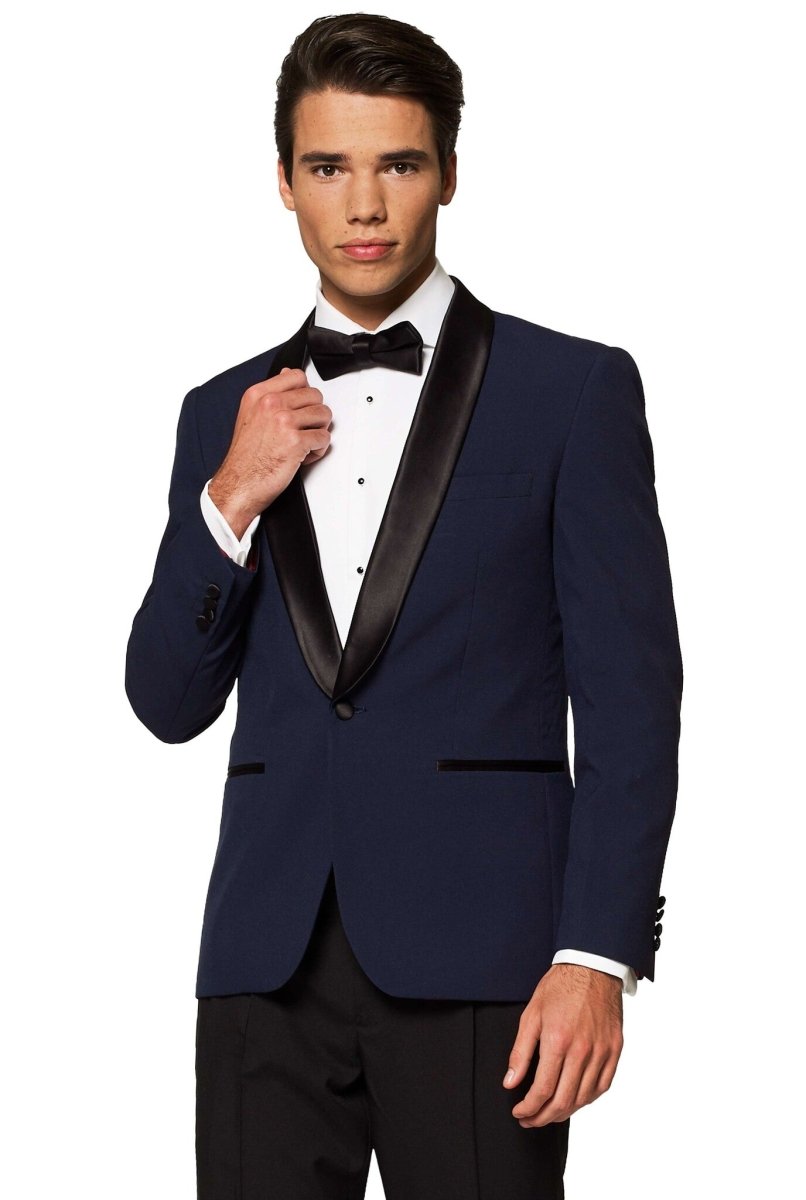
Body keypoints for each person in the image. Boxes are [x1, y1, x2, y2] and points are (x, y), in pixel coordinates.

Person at [125, 12, 683, 1198]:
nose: (364, 205)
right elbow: (166, 702)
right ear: (284, 181)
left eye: (398, 164)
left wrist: (596, 954)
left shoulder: (569, 390)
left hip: (489, 965)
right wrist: (229, 498)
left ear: (448, 173)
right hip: (264, 966)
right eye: (329, 167)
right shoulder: (220, 411)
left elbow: (630, 704)